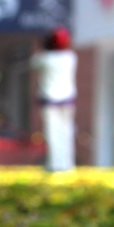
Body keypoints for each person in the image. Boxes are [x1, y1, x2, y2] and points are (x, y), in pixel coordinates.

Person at [31, 28, 77, 171]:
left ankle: (55, 165)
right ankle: (68, 164)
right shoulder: (71, 57)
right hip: (68, 100)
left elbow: (33, 63)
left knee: (52, 133)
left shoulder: (44, 59)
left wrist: (43, 47)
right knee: (67, 132)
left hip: (50, 101)